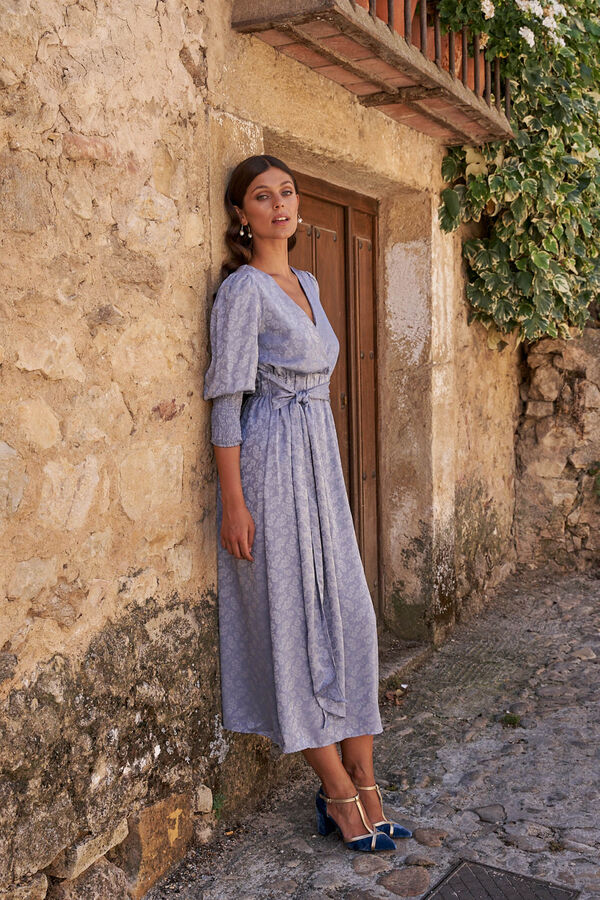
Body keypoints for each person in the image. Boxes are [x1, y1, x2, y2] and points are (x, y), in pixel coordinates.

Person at [203, 154, 412, 853]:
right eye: (262, 197)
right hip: (269, 464)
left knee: (350, 611)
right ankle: (339, 794)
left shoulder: (312, 282)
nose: (279, 204)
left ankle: (365, 773)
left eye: (286, 192)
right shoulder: (242, 294)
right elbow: (226, 400)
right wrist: (234, 501)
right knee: (292, 621)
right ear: (242, 215)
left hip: (320, 462)